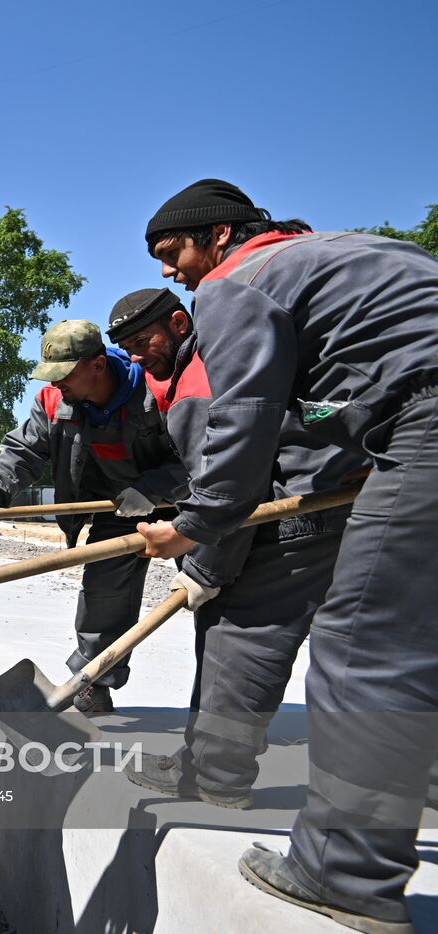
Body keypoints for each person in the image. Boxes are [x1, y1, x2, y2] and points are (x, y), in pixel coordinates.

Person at [137, 177, 438, 933]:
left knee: (367, 644)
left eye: (174, 252)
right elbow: (353, 387)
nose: (171, 271)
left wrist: (194, 527)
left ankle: (345, 873)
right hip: (411, 423)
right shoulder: (344, 254)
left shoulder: (238, 284)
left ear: (219, 236)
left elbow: (245, 425)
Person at [107, 285, 361, 808]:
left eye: (142, 338)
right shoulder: (209, 363)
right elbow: (212, 475)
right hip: (328, 500)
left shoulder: (200, 378)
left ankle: (213, 776)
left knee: (238, 639)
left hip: (296, 514)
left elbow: (232, 491)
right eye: (126, 344)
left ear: (179, 323)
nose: (135, 353)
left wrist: (203, 569)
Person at [0, 320, 188, 713]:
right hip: (115, 509)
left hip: (184, 506)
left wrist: (152, 490)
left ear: (98, 365)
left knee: (211, 592)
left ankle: (224, 702)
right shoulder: (53, 401)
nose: (56, 383)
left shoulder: (158, 390)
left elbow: (198, 456)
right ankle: (93, 682)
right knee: (103, 595)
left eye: (64, 373)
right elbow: (21, 452)